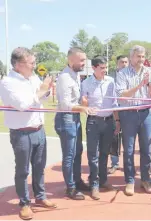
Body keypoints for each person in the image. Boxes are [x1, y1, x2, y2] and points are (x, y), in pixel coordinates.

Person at [0, 47, 57, 220]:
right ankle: (24, 203)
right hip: (21, 133)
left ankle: (40, 197)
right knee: (23, 171)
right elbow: (22, 105)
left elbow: (41, 99)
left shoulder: (32, 78)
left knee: (39, 168)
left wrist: (45, 90)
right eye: (31, 63)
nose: (34, 66)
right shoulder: (8, 83)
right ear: (18, 65)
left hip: (39, 130)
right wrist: (41, 90)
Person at [116, 45, 151, 196]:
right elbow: (122, 96)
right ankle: (129, 180)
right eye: (138, 56)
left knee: (146, 149)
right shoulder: (122, 73)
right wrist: (139, 86)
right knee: (128, 150)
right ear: (131, 57)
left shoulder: (150, 73)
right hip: (128, 114)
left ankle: (145, 179)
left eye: (143, 57)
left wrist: (147, 84)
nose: (141, 60)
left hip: (146, 113)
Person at [54, 47, 97, 200]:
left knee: (78, 151)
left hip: (75, 119)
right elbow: (65, 104)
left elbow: (75, 99)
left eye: (84, 60)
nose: (84, 63)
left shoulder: (76, 75)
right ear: (70, 60)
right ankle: (70, 187)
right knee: (69, 155)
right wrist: (83, 108)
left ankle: (77, 181)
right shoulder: (65, 77)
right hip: (66, 119)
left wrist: (83, 102)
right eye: (81, 60)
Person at [80, 56, 120, 200]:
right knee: (93, 155)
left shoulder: (111, 81)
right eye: (102, 68)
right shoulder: (86, 83)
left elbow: (114, 102)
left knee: (104, 153)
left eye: (106, 68)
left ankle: (103, 181)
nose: (105, 70)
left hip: (109, 121)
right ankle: (94, 184)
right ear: (94, 68)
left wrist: (117, 120)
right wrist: (85, 103)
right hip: (93, 122)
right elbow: (83, 100)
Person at [108, 55, 129, 175]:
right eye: (122, 62)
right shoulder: (110, 79)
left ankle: (128, 163)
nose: (124, 64)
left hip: (128, 111)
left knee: (128, 139)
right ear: (117, 64)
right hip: (114, 111)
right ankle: (114, 163)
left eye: (126, 62)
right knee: (114, 138)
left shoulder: (131, 76)